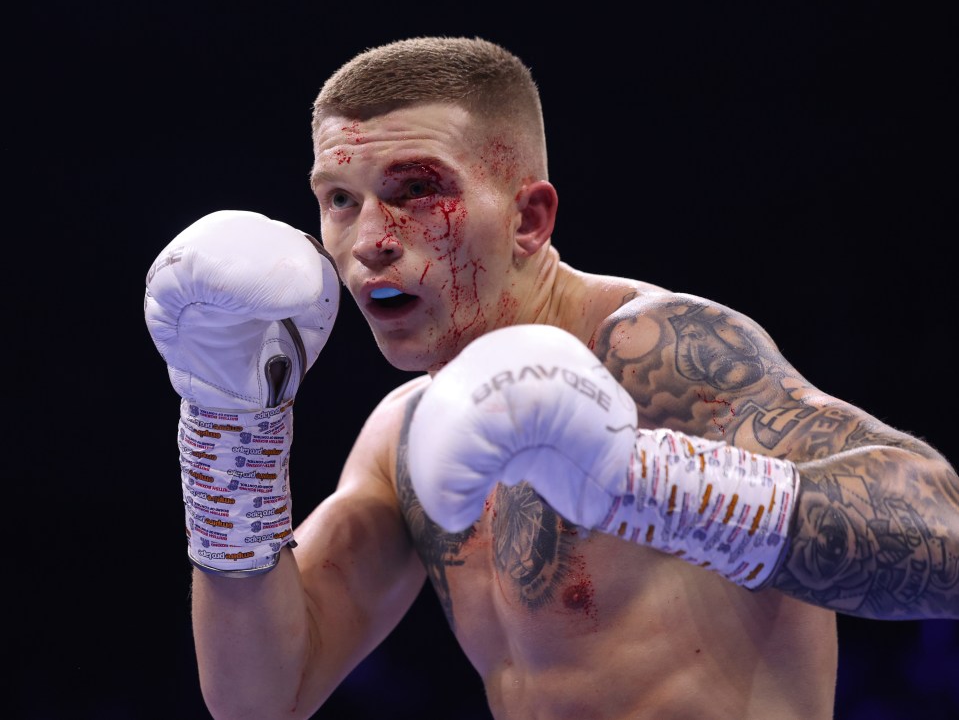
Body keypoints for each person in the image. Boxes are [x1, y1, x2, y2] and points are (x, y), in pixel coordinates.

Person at [144, 36, 959, 719]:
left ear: (530, 218)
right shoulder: (402, 436)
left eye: (416, 191)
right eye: (340, 199)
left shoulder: (661, 350)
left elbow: (946, 545)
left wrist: (640, 479)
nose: (368, 240)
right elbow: (261, 696)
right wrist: (229, 435)